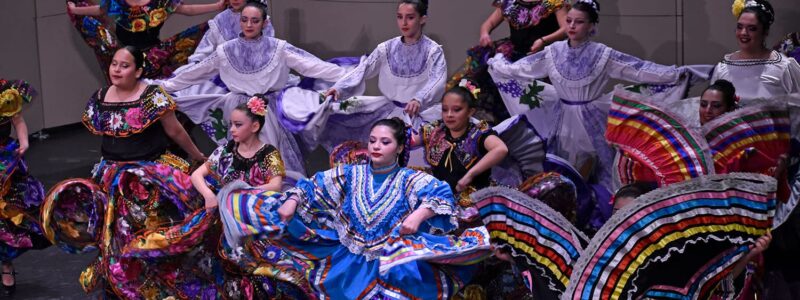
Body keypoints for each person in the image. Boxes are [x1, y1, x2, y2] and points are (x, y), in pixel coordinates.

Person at [216, 117, 491, 299]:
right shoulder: (351, 173)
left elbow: (440, 193)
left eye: (385, 142)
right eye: (372, 141)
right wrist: (291, 201)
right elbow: (313, 186)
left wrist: (419, 215)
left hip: (392, 261)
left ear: (398, 148)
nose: (376, 146)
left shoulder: (409, 179)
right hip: (349, 260)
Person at [40, 47, 226, 298]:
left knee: (151, 234)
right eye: (114, 64)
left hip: (148, 177)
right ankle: (124, 287)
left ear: (138, 71)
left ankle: (160, 286)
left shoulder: (152, 96)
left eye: (124, 65)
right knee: (114, 237)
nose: (116, 69)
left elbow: (175, 131)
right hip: (110, 176)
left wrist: (197, 155)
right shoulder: (101, 96)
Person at [488, 0, 694, 196]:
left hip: (594, 118)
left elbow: (638, 70)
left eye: (579, 22)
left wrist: (674, 73)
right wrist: (499, 64)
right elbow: (522, 69)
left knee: (601, 168)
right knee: (561, 168)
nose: (572, 26)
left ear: (591, 25)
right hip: (562, 118)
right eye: (569, 21)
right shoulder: (553, 52)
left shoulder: (603, 54)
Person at [161, 1, 348, 181]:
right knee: (240, 156)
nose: (249, 25)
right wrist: (164, 86)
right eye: (244, 20)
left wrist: (350, 74)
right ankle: (244, 198)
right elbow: (195, 73)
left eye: (255, 20)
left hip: (268, 110)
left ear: (265, 22)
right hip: (238, 109)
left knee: (274, 156)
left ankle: (279, 197)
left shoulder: (277, 48)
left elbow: (312, 66)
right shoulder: (226, 50)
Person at [190, 98, 315, 298]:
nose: (232, 129)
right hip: (224, 217)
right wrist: (210, 196)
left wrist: (240, 194)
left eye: (238, 125)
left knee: (269, 269)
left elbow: (275, 185)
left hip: (253, 218)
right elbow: (196, 175)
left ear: (255, 126)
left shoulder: (268, 154)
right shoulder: (226, 150)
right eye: (231, 124)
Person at [300, 0, 445, 151]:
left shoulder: (433, 51)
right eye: (399, 17)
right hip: (392, 112)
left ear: (422, 19)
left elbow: (437, 80)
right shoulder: (387, 48)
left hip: (421, 116)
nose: (404, 22)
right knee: (342, 118)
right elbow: (364, 69)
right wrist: (340, 88)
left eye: (410, 17)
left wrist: (419, 99)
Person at [448, 0, 568, 123]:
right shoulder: (511, 2)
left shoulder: (554, 2)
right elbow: (489, 23)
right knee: (489, 80)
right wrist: (485, 34)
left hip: (541, 60)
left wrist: (544, 40)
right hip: (514, 57)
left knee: (539, 103)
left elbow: (565, 28)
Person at [66, 0, 225, 78]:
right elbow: (99, 11)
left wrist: (217, 6)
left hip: (154, 59)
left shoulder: (160, 1)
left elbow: (186, 9)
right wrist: (75, 10)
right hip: (124, 58)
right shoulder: (117, 1)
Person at [0, 79, 48, 296]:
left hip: (4, 161)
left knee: (6, 218)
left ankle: (6, 265)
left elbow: (18, 120)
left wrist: (24, 141)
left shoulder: (5, 92)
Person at [416, 85, 508, 195]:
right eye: (445, 110)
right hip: (441, 199)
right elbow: (407, 141)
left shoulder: (477, 133)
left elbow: (500, 149)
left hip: (476, 200)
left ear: (470, 112)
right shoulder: (436, 130)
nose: (449, 115)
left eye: (456, 110)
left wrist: (470, 175)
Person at [713, 0, 800, 103]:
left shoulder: (783, 67)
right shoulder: (722, 69)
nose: (743, 33)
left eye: (752, 28)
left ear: (765, 32)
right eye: (739, 27)